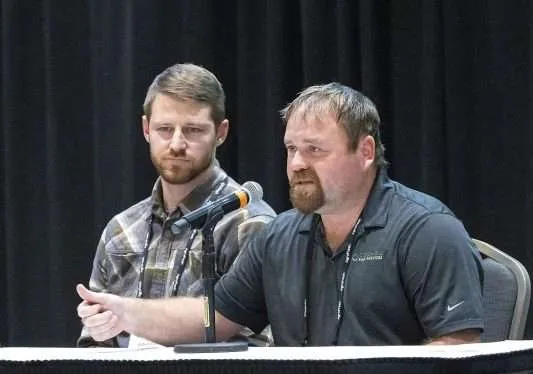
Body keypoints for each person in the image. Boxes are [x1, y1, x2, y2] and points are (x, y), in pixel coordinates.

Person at [76, 82, 484, 346]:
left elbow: (458, 349)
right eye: (291, 149)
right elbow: (213, 317)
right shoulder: (281, 236)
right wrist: (125, 311)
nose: (297, 164)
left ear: (365, 152)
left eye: (315, 150)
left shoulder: (426, 230)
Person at [77, 63, 276, 347]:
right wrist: (97, 323)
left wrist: (128, 315)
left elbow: (259, 344)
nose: (177, 144)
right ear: (146, 129)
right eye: (165, 129)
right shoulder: (120, 229)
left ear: (221, 132)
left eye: (193, 130)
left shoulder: (248, 224)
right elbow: (93, 348)